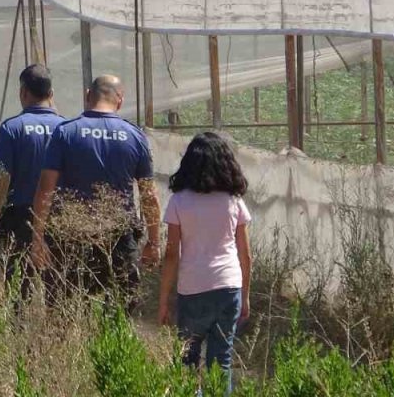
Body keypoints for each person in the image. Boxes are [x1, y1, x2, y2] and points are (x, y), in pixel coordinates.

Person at [30, 74, 160, 302]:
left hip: (70, 239)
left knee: (67, 305)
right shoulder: (135, 136)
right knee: (120, 306)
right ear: (120, 100)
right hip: (119, 239)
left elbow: (45, 190)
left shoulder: (65, 132)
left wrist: (37, 238)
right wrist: (154, 242)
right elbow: (149, 195)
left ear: (88, 95)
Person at [157, 132, 252, 396]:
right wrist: (245, 296)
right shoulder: (233, 200)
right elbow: (245, 255)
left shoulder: (179, 201)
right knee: (221, 361)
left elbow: (171, 254)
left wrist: (163, 301)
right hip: (228, 287)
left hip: (192, 290)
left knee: (187, 359)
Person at [0, 64, 66, 295]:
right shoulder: (66, 128)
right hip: (58, 217)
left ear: (23, 92)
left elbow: (2, 178)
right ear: (51, 94)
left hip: (19, 218)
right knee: (57, 288)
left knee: (19, 289)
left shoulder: (12, 128)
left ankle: (19, 318)